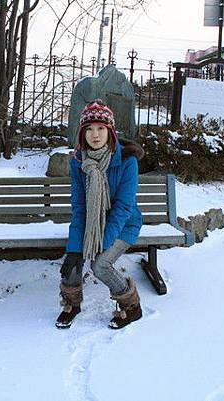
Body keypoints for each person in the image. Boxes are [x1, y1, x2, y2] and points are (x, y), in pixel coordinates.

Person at [56, 99, 145, 330]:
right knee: (74, 259)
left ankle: (131, 306)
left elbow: (124, 207)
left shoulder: (127, 160)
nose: (95, 135)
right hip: (91, 221)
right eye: (89, 129)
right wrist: (75, 249)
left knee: (99, 265)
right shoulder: (79, 163)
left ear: (110, 131)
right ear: (82, 133)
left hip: (123, 224)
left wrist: (101, 243)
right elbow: (80, 208)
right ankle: (71, 304)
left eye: (101, 128)